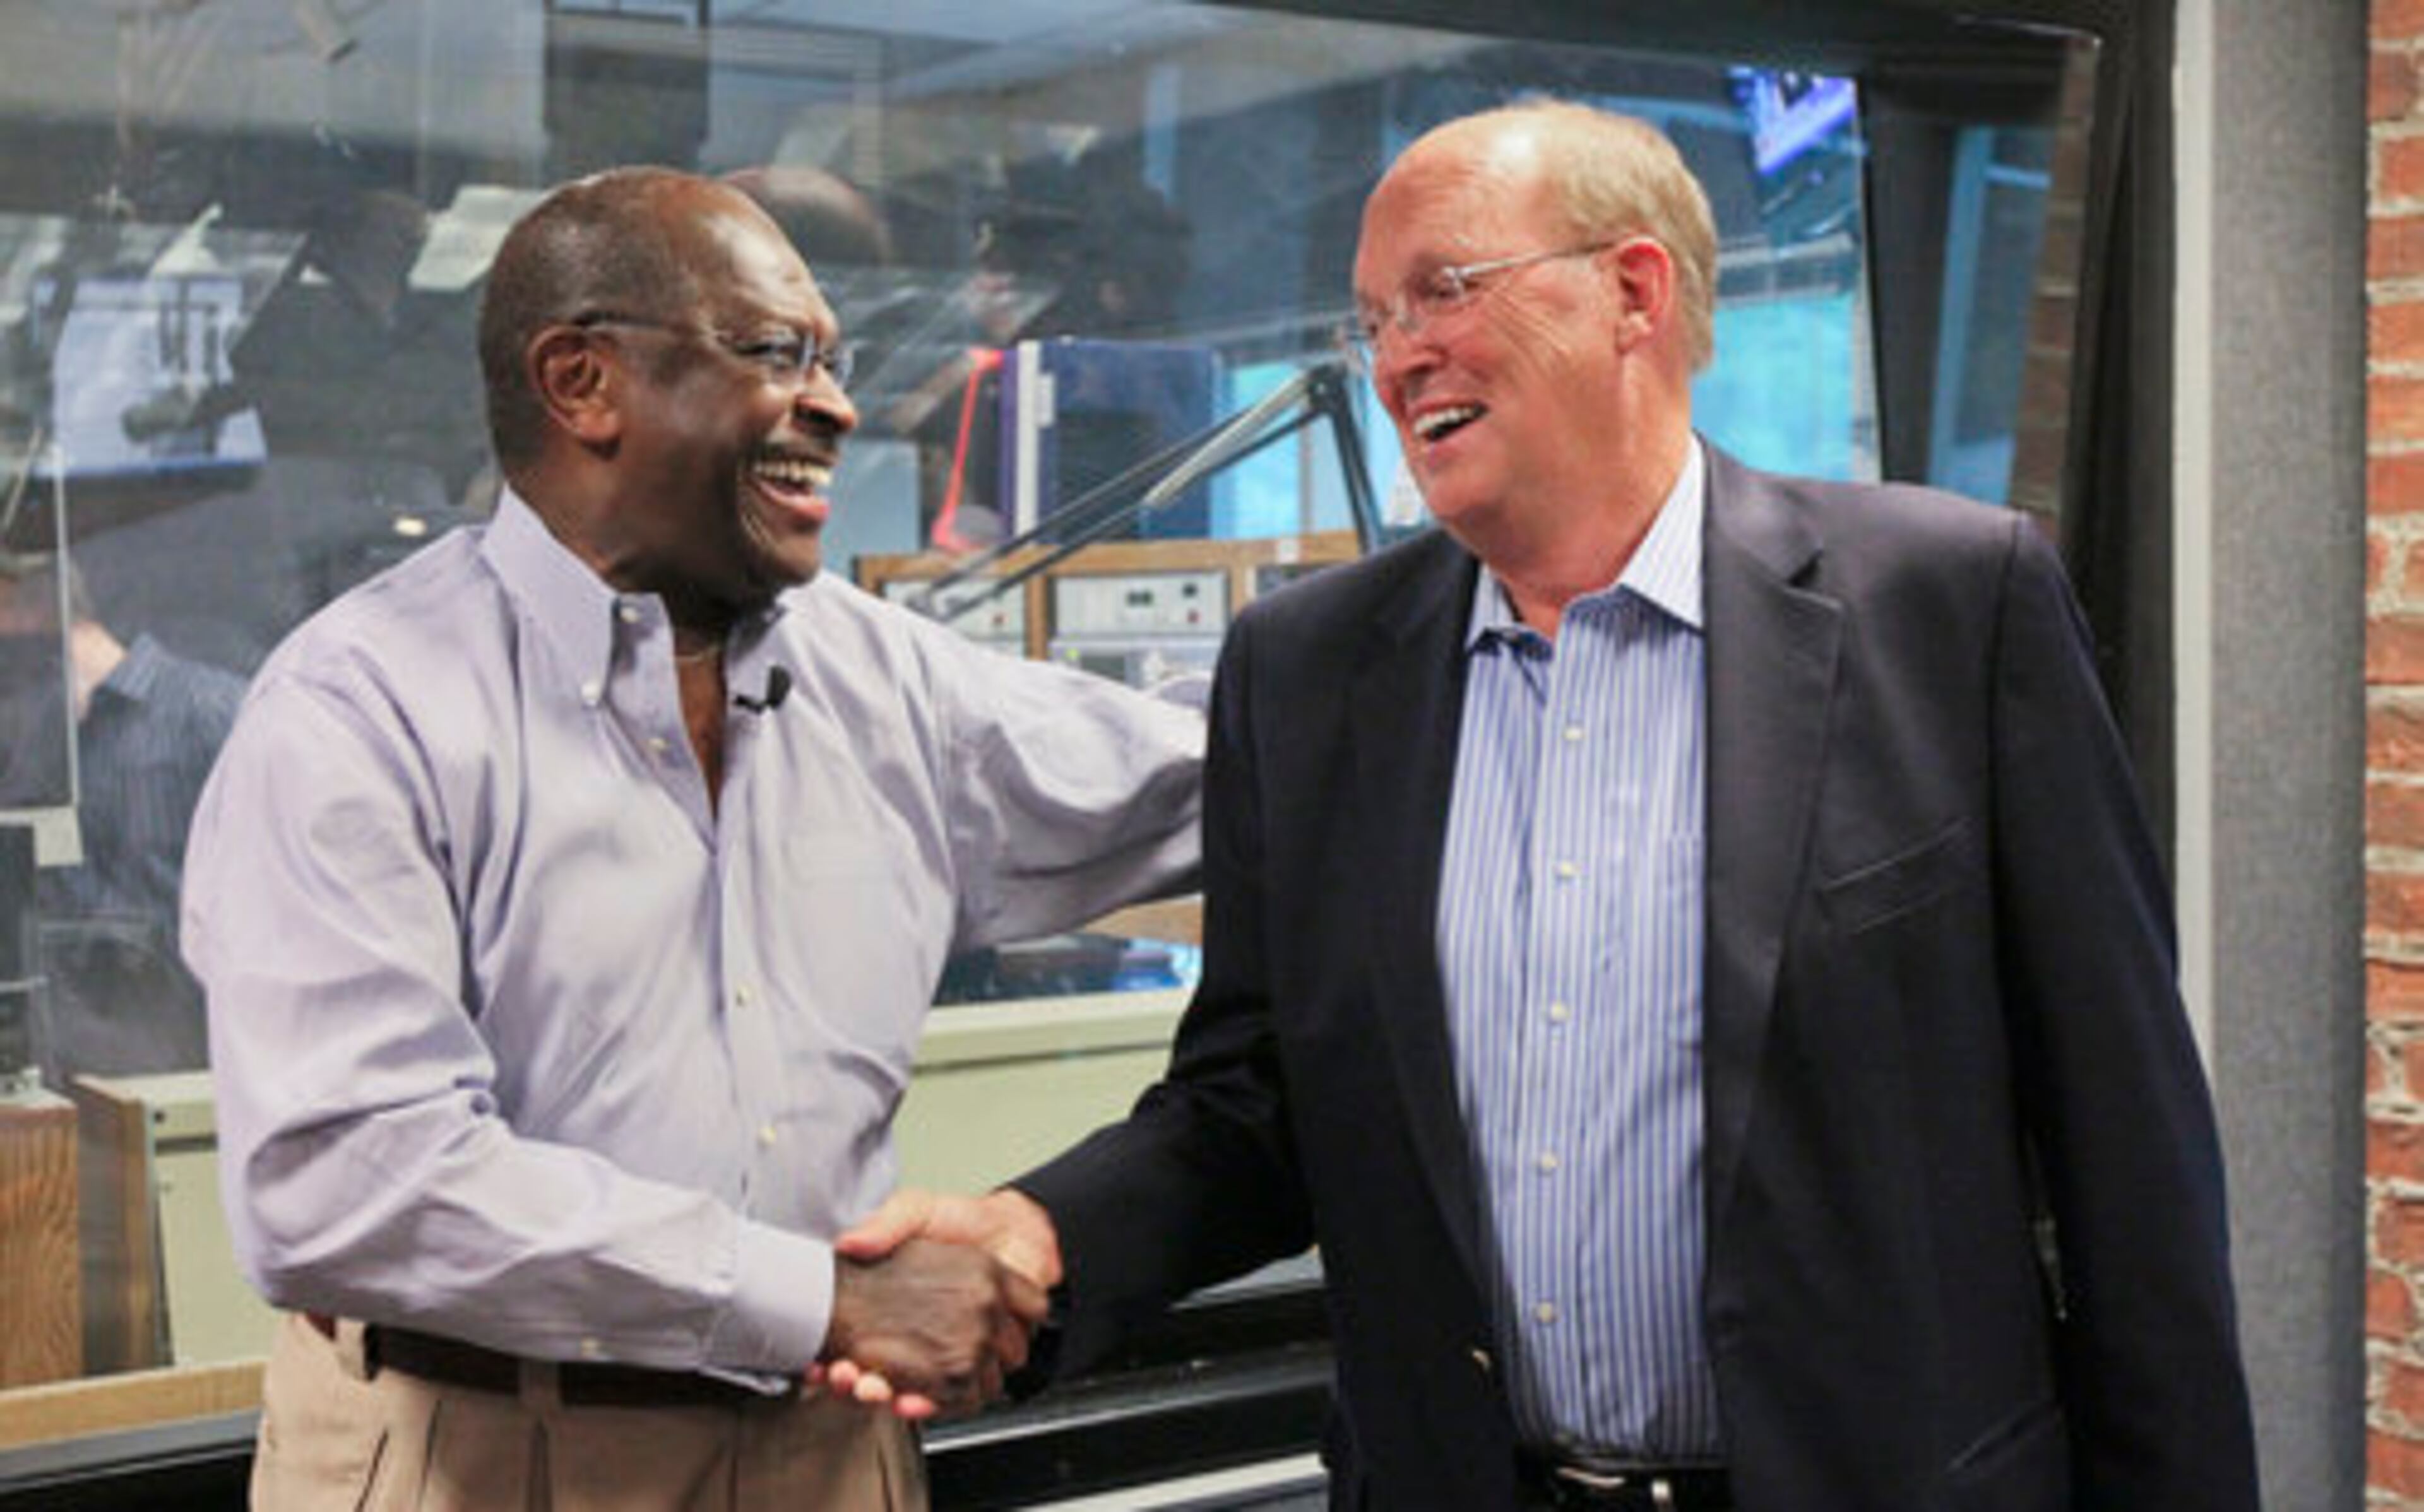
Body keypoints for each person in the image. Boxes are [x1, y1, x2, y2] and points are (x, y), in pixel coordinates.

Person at [837, 100, 2259, 1510]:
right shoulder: (1307, 674)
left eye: (1444, 289)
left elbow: (2128, 1152)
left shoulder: (1950, 608)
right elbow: (1258, 1108)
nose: (1399, 357)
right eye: (1374, 319)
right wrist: (1037, 1233)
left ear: (1634, 292)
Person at [184, 165, 1203, 1511]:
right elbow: (345, 1184)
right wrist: (821, 1300)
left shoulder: (890, 682)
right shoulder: (362, 712)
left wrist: (1453, 613)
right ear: (582, 382)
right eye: (777, 353)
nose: (835, 406)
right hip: (483, 1451)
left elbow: (1218, 784)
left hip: (829, 1450)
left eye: (833, 361)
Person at [0, 552, 244, 1077]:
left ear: (28, 610)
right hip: (67, 1081)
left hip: (193, 1081)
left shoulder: (210, 714)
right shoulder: (33, 746)